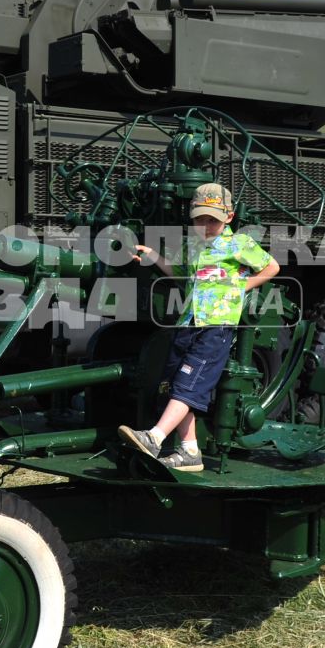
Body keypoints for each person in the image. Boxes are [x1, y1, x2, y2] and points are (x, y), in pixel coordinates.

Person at [117, 183, 280, 473]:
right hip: (187, 323)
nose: (205, 225)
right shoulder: (194, 246)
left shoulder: (238, 244)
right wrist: (153, 257)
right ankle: (190, 451)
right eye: (199, 219)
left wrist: (238, 288)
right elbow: (180, 274)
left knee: (188, 386)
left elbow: (271, 268)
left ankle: (155, 438)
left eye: (212, 220)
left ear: (228, 217)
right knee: (174, 385)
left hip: (215, 326)